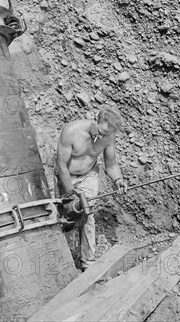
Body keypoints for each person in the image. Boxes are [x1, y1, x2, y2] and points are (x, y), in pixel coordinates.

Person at [56, 107, 128, 270]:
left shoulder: (108, 137)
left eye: (105, 135)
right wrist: (71, 195)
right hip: (67, 176)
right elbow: (61, 165)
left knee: (87, 214)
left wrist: (118, 179)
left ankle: (87, 262)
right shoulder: (71, 131)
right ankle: (62, 260)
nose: (101, 136)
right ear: (96, 120)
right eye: (100, 132)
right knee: (65, 215)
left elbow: (111, 165)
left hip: (89, 175)